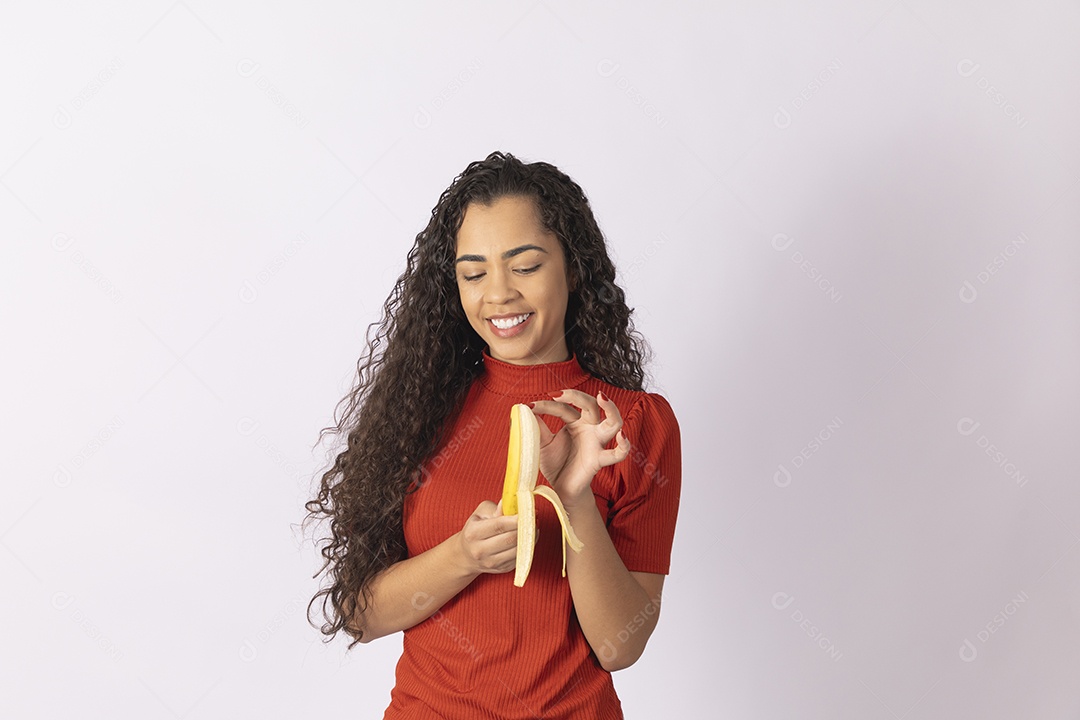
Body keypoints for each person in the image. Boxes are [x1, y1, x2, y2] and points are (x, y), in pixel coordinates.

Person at [303, 151, 681, 719]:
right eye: (474, 273)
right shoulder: (419, 409)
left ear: (572, 268)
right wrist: (464, 555)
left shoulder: (632, 425)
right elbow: (361, 613)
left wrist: (574, 498)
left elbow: (619, 645)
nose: (497, 294)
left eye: (525, 266)